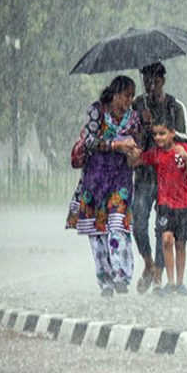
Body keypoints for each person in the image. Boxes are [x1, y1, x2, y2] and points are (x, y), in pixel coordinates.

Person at [66, 75, 142, 298]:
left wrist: (134, 153)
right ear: (115, 94)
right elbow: (89, 140)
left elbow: (137, 145)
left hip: (120, 179)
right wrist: (116, 144)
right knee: (98, 232)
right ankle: (105, 280)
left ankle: (121, 275)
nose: (130, 100)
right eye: (127, 95)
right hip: (95, 179)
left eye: (132, 96)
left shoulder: (134, 118)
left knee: (118, 223)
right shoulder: (96, 111)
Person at [132, 62, 187, 296]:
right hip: (145, 174)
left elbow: (186, 136)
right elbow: (131, 138)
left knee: (162, 227)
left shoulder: (175, 106)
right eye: (147, 80)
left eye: (155, 80)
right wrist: (141, 126)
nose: (151, 85)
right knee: (138, 221)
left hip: (168, 177)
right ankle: (148, 262)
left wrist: (165, 136)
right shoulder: (137, 105)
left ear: (163, 81)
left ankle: (159, 271)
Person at [130, 118, 187, 296]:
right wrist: (131, 151)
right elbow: (138, 161)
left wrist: (186, 158)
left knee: (181, 243)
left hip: (183, 203)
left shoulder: (182, 150)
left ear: (172, 133)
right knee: (166, 239)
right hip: (165, 204)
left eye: (162, 133)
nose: (158, 138)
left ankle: (180, 283)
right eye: (156, 134)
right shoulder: (156, 154)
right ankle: (170, 281)